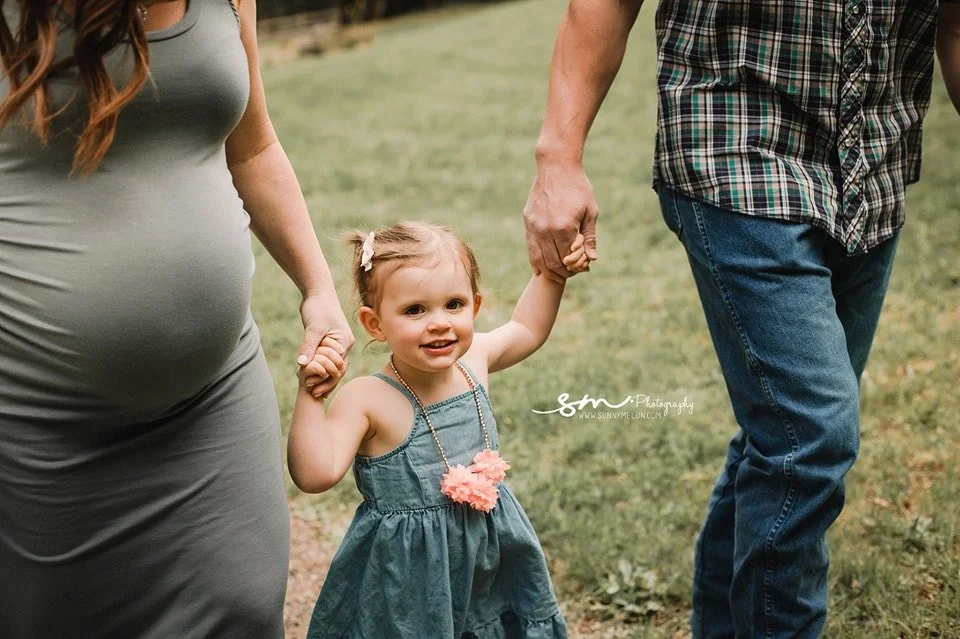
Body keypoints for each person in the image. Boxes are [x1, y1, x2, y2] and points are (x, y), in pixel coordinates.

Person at [522, 0, 960, 637]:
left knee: (783, 433)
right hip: (734, 146)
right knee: (810, 435)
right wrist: (557, 159)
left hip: (875, 167)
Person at [0, 0, 353, 636]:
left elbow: (254, 146)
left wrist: (317, 285)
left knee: (242, 607)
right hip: (34, 421)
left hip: (212, 398)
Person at [288, 221, 587, 638]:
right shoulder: (368, 398)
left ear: (475, 306)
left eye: (454, 304)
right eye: (414, 310)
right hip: (409, 578)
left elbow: (527, 329)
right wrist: (311, 396)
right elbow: (314, 474)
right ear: (375, 324)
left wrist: (552, 274)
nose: (439, 323)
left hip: (488, 555)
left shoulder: (475, 359)